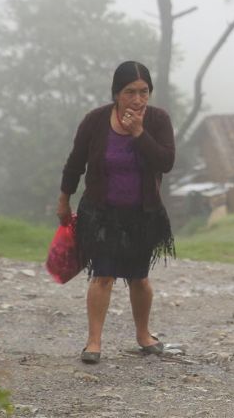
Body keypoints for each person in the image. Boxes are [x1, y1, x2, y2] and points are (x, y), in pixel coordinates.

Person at [56, 61, 176, 364]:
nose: (137, 99)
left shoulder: (158, 120)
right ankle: (93, 342)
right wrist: (63, 200)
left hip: (142, 214)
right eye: (130, 92)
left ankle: (143, 335)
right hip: (101, 213)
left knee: (139, 278)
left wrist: (138, 132)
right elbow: (75, 163)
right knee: (103, 276)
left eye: (144, 92)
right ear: (116, 93)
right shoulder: (95, 121)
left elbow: (165, 161)